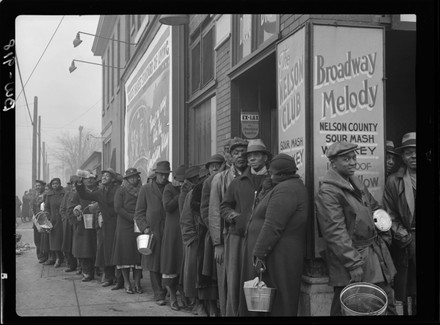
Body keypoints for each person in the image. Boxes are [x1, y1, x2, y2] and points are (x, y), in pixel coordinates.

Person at [315, 141, 397, 316]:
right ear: (333, 163)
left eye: (354, 157)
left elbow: (374, 207)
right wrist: (353, 263)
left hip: (373, 255)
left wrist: (385, 230)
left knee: (383, 301)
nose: (352, 162)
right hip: (353, 259)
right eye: (346, 159)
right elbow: (335, 233)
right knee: (350, 305)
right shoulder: (328, 192)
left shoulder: (355, 182)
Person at [239, 153, 308, 316]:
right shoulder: (284, 186)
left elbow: (273, 225)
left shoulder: (286, 190)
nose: (270, 174)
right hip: (277, 253)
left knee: (276, 304)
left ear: (283, 174)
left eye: (272, 172)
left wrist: (259, 252)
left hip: (278, 255)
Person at [220, 138, 271, 316]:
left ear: (265, 157)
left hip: (262, 238)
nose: (251, 159)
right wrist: (237, 218)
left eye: (256, 155)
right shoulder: (238, 182)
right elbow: (224, 207)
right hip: (238, 238)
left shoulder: (272, 181)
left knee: (261, 280)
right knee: (236, 281)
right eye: (249, 156)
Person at [208, 137, 248, 316]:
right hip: (227, 236)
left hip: (248, 235)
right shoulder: (220, 178)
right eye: (236, 153)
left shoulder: (253, 175)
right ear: (230, 157)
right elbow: (215, 211)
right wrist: (218, 243)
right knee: (228, 282)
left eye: (243, 152)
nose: (240, 156)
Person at [383, 132, 417, 315]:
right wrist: (401, 233)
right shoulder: (394, 181)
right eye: (409, 152)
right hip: (405, 240)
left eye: (417, 151)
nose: (414, 156)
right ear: (403, 157)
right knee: (404, 287)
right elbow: (390, 214)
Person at [76, 168, 121, 288]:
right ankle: (108, 277)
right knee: (106, 251)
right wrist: (80, 183)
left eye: (107, 175)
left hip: (119, 224)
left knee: (118, 251)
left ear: (112, 179)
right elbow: (84, 195)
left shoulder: (118, 189)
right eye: (103, 175)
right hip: (105, 226)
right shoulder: (100, 192)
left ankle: (119, 278)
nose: (104, 177)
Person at [134, 161, 170, 306]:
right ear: (156, 174)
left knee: (166, 262)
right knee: (154, 264)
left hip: (168, 232)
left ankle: (166, 289)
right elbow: (139, 213)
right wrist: (145, 228)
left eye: (166, 174)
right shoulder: (146, 189)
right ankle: (159, 293)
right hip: (153, 232)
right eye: (161, 174)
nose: (163, 177)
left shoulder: (170, 188)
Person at [200, 153, 226, 316]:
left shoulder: (227, 178)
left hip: (230, 231)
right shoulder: (207, 183)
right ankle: (209, 306)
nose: (215, 168)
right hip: (211, 233)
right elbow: (204, 209)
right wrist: (214, 229)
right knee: (209, 273)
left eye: (217, 165)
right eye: (211, 166)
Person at [179, 165, 207, 315]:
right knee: (194, 272)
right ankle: (198, 303)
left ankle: (207, 303)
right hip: (195, 238)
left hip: (209, 238)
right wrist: (190, 237)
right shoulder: (191, 193)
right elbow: (185, 218)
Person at [113, 168, 143, 294]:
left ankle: (137, 282)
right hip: (125, 225)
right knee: (125, 255)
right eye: (131, 177)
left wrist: (140, 219)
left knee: (138, 254)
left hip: (139, 224)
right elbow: (118, 208)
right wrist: (132, 218)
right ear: (126, 179)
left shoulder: (142, 189)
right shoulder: (121, 190)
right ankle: (127, 282)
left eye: (135, 177)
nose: (133, 179)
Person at [160, 165, 187, 311]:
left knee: (181, 263)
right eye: (180, 180)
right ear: (175, 178)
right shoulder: (169, 189)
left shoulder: (187, 188)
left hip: (183, 230)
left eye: (185, 180)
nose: (182, 183)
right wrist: (180, 195)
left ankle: (183, 293)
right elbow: (167, 207)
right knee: (171, 262)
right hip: (172, 231)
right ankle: (172, 296)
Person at [69, 172, 99, 282]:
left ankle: (98, 269)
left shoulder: (99, 191)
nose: (90, 180)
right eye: (87, 178)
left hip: (98, 224)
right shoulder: (78, 193)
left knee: (97, 247)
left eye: (92, 178)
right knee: (84, 249)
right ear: (83, 180)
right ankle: (86, 271)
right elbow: (70, 209)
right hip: (83, 225)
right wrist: (76, 211)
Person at [44, 178, 66, 267]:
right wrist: (48, 218)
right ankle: (58, 257)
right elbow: (46, 208)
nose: (55, 185)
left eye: (57, 183)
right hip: (53, 220)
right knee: (55, 240)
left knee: (64, 239)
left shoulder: (64, 193)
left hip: (63, 220)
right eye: (53, 184)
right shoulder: (49, 195)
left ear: (60, 184)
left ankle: (67, 259)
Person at [60, 176, 77, 272]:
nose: (74, 186)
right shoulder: (68, 195)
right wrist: (65, 218)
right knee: (68, 244)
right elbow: (62, 208)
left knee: (78, 244)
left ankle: (81, 266)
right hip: (68, 223)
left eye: (76, 184)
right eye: (72, 184)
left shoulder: (81, 194)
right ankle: (71, 264)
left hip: (78, 223)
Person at [30, 180, 48, 263]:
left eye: (39, 185)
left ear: (43, 186)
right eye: (36, 185)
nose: (37, 187)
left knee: (44, 238)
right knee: (37, 238)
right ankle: (40, 255)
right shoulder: (34, 195)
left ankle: (45, 255)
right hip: (36, 219)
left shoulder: (46, 194)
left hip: (44, 218)